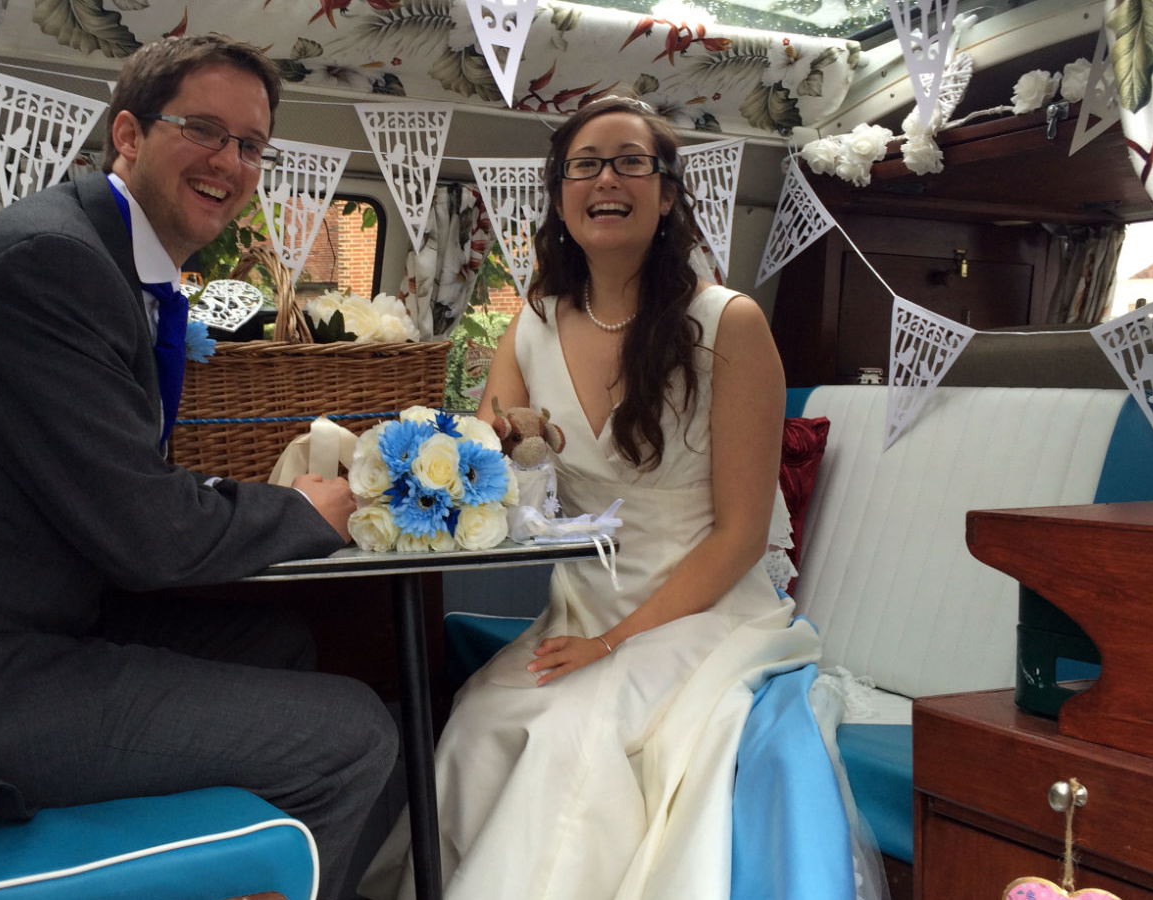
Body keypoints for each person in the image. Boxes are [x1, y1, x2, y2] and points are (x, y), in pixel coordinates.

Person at [0, 34, 398, 900]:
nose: (230, 160)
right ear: (128, 135)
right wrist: (304, 511)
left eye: (251, 145)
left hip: (15, 622)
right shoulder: (45, 265)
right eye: (204, 130)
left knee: (286, 641)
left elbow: (115, 489)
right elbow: (143, 529)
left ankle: (226, 876)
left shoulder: (108, 264)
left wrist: (258, 508)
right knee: (358, 736)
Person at [361, 97, 873, 900]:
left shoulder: (727, 324)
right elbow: (494, 461)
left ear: (667, 194)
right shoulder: (531, 322)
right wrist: (489, 454)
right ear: (561, 193)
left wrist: (616, 643)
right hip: (579, 610)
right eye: (585, 164)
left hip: (701, 612)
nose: (607, 178)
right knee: (475, 724)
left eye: (632, 161)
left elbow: (741, 537)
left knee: (576, 735)